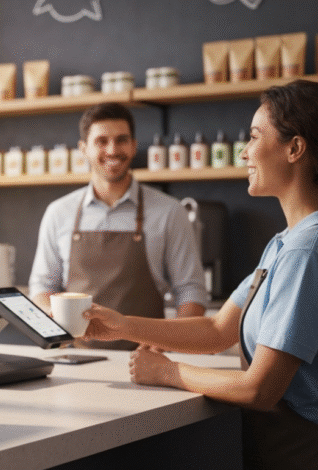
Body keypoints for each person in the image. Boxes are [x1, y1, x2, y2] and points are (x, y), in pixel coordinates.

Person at [83, 79, 318, 469]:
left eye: (256, 136)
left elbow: (257, 389)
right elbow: (217, 332)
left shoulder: (304, 250)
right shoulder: (283, 243)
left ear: (294, 148)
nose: (244, 152)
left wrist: (169, 372)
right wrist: (123, 326)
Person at [29, 102, 207, 349]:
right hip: (76, 360)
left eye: (121, 140)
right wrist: (56, 320)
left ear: (133, 147)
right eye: (101, 141)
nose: (112, 150)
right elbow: (42, 286)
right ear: (83, 149)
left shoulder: (169, 212)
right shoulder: (59, 213)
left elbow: (191, 290)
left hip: (147, 358)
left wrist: (166, 346)